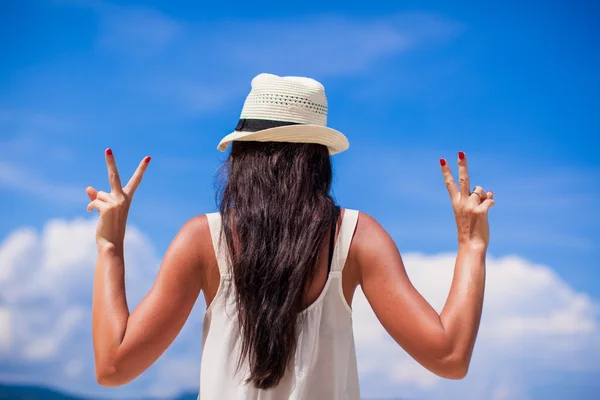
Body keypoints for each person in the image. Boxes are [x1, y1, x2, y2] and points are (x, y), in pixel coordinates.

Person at [86, 73, 495, 399]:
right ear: (317, 160)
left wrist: (110, 245)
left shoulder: (200, 241)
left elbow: (113, 367)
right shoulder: (356, 238)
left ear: (242, 158)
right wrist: (471, 246)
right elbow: (449, 357)